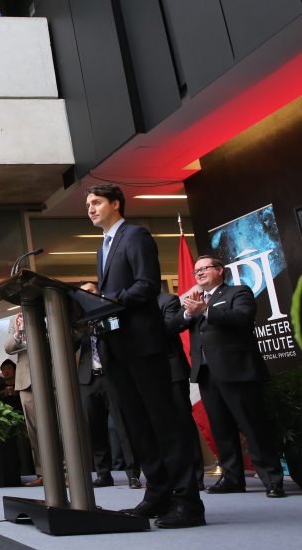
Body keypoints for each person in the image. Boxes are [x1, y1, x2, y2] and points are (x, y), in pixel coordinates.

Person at [86, 183, 204, 528]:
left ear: (116, 203)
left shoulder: (135, 236)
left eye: (96, 202)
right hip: (117, 347)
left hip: (143, 344)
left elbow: (148, 284)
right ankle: (157, 494)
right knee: (137, 425)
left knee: (163, 423)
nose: (91, 209)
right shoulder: (102, 248)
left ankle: (187, 502)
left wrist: (112, 301)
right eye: (88, 204)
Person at [170, 255, 284, 498]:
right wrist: (190, 313)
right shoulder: (194, 299)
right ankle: (232, 477)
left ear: (220, 270)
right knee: (222, 428)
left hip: (237, 371)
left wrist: (206, 310)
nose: (199, 273)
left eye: (204, 268)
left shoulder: (238, 292)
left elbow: (243, 319)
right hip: (206, 373)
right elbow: (174, 324)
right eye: (196, 270)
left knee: (252, 426)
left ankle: (272, 479)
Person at [77, 281, 142, 489]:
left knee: (122, 426)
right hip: (88, 379)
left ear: (99, 293)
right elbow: (70, 342)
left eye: (91, 291)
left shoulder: (111, 311)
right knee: (94, 429)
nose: (88, 295)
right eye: (83, 293)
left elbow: (115, 335)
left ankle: (133, 472)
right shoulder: (78, 319)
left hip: (112, 375)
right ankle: (103, 474)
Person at [158, 291, 206, 490]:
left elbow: (171, 327)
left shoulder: (166, 300)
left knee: (182, 422)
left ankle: (196, 475)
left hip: (172, 370)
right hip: (146, 373)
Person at [5, 312, 43, 486]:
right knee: (34, 430)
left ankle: (65, 471)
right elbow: (8, 348)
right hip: (26, 381)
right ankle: (43, 473)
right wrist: (18, 333)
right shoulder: (16, 319)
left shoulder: (50, 308)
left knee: (59, 427)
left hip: (53, 377)